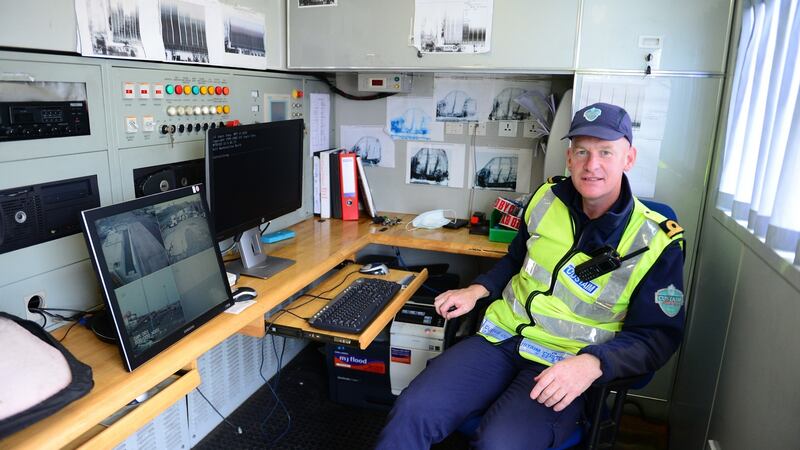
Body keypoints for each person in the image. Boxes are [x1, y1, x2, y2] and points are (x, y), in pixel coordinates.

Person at [375, 103, 686, 450]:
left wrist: (593, 364)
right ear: (569, 158)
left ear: (628, 158)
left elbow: (656, 337)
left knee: (499, 444)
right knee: (413, 410)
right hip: (499, 340)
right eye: (582, 151)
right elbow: (515, 261)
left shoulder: (656, 240)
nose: (591, 165)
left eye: (605, 152)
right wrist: (477, 290)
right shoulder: (545, 199)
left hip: (564, 361)